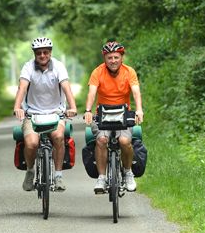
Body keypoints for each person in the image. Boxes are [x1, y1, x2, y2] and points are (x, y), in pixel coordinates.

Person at [13, 37, 78, 192]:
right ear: (34, 54)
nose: (42, 55)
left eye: (46, 52)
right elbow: (22, 88)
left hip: (56, 113)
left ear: (50, 53)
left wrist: (73, 107)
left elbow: (66, 87)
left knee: (58, 137)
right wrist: (17, 107)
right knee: (32, 144)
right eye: (39, 53)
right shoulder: (28, 67)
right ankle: (30, 171)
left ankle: (58, 175)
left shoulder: (59, 66)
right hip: (33, 114)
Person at [82, 41, 144, 193]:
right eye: (109, 58)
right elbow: (92, 92)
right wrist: (88, 110)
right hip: (103, 114)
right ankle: (102, 178)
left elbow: (136, 91)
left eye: (116, 57)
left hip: (124, 114)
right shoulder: (98, 72)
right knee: (102, 140)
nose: (113, 61)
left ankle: (129, 173)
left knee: (124, 141)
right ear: (105, 58)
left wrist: (139, 110)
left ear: (122, 57)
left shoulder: (129, 72)